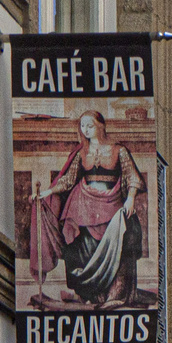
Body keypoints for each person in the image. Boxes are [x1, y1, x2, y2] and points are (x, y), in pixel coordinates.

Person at [29, 111, 146, 309]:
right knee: (81, 244)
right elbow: (68, 179)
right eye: (82, 126)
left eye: (89, 125)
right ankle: (89, 294)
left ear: (101, 126)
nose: (85, 130)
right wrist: (47, 192)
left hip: (113, 204)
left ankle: (113, 294)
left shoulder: (119, 151)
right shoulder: (82, 152)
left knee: (123, 236)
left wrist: (131, 199)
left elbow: (132, 176)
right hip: (83, 206)